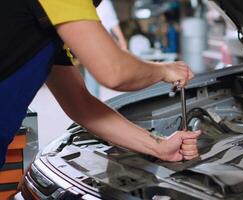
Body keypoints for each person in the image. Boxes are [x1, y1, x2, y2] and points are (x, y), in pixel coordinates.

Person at [0, 0, 200, 168]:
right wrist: (164, 70)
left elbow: (80, 104)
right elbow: (114, 72)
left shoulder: (52, 31)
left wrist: (160, 147)